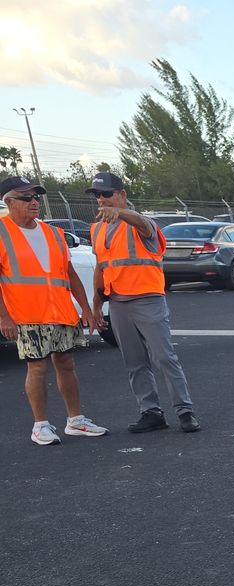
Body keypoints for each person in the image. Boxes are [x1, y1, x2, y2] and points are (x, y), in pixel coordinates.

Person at [86, 171, 199, 433]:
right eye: (97, 195)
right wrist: (95, 302)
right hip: (117, 302)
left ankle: (185, 411)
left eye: (106, 194)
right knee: (134, 361)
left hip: (147, 299)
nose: (101, 200)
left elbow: (142, 223)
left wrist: (122, 213)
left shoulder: (141, 223)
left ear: (122, 195)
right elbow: (101, 266)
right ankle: (150, 412)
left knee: (164, 357)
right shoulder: (97, 227)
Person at [0, 175, 108, 445]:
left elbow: (69, 275)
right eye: (27, 197)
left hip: (61, 311)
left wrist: (85, 308)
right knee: (37, 368)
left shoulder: (53, 233)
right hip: (27, 314)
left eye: (36, 196)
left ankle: (76, 421)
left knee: (67, 364)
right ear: (9, 202)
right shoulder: (2, 232)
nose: (34, 202)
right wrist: (4, 317)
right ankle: (41, 426)